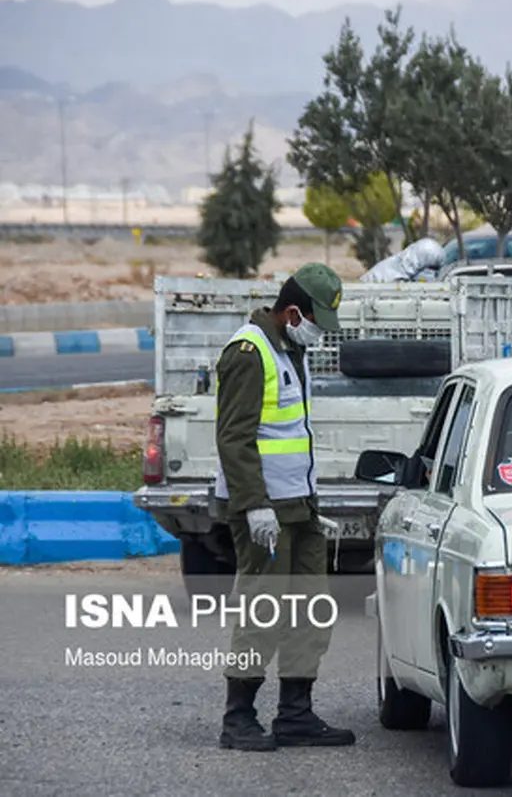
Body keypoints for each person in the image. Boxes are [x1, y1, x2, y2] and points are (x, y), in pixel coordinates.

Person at [211, 262, 355, 752]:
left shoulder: (291, 349)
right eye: (315, 322)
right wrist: (254, 506)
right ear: (292, 312)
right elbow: (234, 438)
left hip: (299, 509)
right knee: (263, 611)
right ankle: (239, 718)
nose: (318, 334)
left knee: (311, 610)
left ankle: (296, 715)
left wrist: (309, 500)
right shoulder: (248, 353)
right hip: (264, 514)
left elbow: (289, 436)